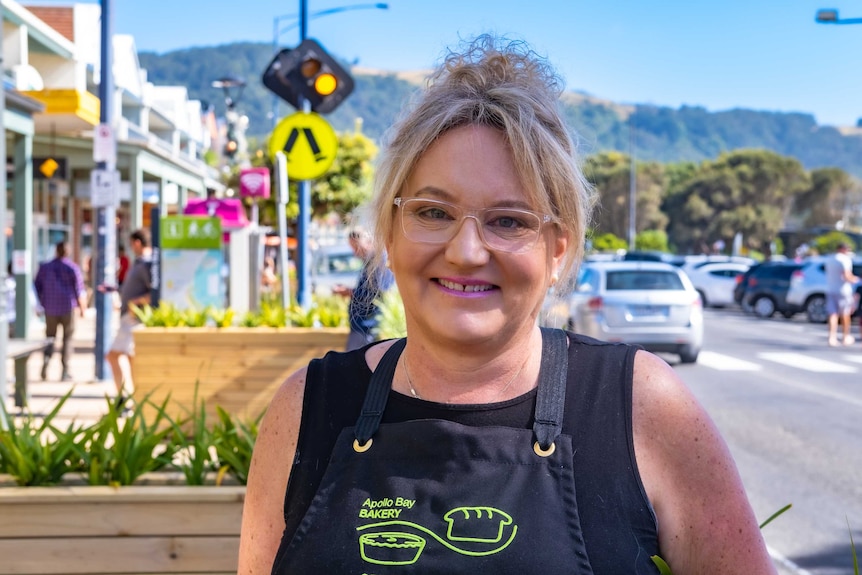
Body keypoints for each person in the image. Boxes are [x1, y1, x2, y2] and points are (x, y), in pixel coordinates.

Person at [238, 36, 777, 575]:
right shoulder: (306, 408)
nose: (466, 251)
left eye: (508, 221)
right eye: (432, 213)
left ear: (558, 248)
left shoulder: (641, 407)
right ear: (391, 230)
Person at [101, 228, 153, 407]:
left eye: (132, 244)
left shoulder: (146, 263)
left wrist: (136, 303)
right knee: (126, 358)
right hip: (129, 317)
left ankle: (129, 398)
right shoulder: (140, 263)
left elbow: (154, 292)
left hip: (133, 319)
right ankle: (128, 397)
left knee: (120, 357)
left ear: (137, 243)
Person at [333, 227, 394, 351]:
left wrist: (349, 292)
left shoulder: (379, 261)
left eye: (356, 247)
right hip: (362, 325)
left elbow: (379, 291)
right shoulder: (372, 261)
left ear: (366, 242)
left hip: (367, 325)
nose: (355, 252)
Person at [33, 242, 87, 381]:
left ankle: (45, 364)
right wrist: (82, 308)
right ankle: (64, 371)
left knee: (50, 338)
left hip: (50, 308)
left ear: (56, 251)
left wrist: (40, 304)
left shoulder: (45, 267)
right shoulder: (72, 268)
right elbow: (79, 290)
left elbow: (37, 286)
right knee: (67, 339)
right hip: (67, 308)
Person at [824, 242, 860, 346]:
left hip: (831, 289)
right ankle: (845, 336)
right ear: (844, 249)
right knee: (845, 314)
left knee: (832, 314)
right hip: (843, 290)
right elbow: (847, 276)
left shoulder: (830, 259)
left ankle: (832, 337)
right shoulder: (845, 260)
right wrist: (856, 280)